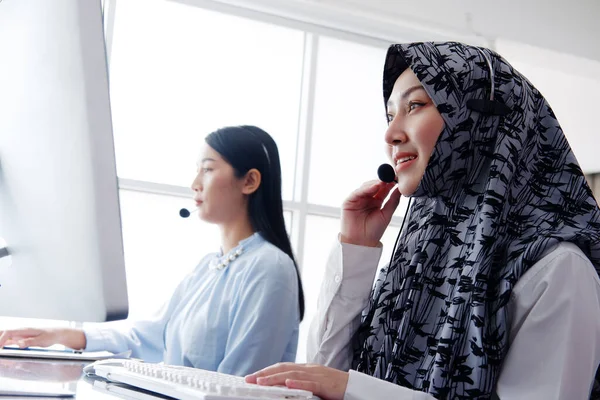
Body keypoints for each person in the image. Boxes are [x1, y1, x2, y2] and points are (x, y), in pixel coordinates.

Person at [245, 42, 600, 399]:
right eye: (389, 115)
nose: (390, 134)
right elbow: (324, 374)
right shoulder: (420, 253)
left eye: (414, 105)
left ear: (479, 119)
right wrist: (356, 250)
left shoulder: (558, 269)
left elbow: (343, 386)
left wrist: (355, 390)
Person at [0, 125, 305, 376]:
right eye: (196, 171)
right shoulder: (208, 266)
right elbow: (150, 335)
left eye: (208, 170)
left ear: (249, 181)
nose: (195, 184)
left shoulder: (269, 268)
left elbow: (237, 384)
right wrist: (59, 336)